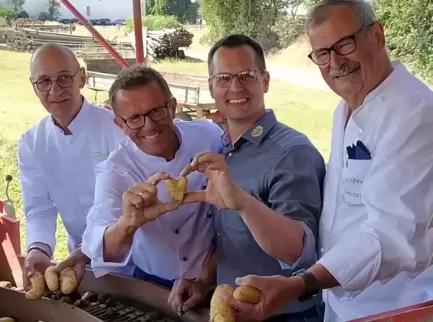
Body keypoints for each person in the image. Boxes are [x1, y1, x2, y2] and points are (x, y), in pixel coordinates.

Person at [225, 1, 433, 321]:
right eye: (322, 53)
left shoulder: (415, 114)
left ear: (377, 36)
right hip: (340, 300)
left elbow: (389, 236)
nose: (335, 62)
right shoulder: (346, 107)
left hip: (393, 307)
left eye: (344, 44)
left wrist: (301, 283)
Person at [169, 34, 326, 321]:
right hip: (230, 306)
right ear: (211, 87)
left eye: (246, 76)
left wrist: (241, 202)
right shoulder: (224, 147)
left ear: (265, 81)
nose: (235, 87)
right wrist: (204, 279)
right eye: (224, 78)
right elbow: (233, 237)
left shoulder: (292, 153)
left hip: (284, 314)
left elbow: (299, 250)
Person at [56, 65, 224, 294]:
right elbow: (102, 242)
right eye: (134, 118)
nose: (149, 125)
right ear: (120, 125)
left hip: (215, 276)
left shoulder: (211, 137)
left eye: (156, 111)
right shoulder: (116, 171)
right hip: (152, 283)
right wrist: (128, 223)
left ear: (173, 107)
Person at [18, 43, 134, 290]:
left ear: (81, 77)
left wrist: (91, 248)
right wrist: (38, 248)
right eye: (44, 82)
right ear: (33, 86)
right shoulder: (31, 143)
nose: (54, 90)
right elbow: (39, 208)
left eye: (63, 78)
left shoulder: (117, 127)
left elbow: (127, 203)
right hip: (79, 265)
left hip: (133, 258)